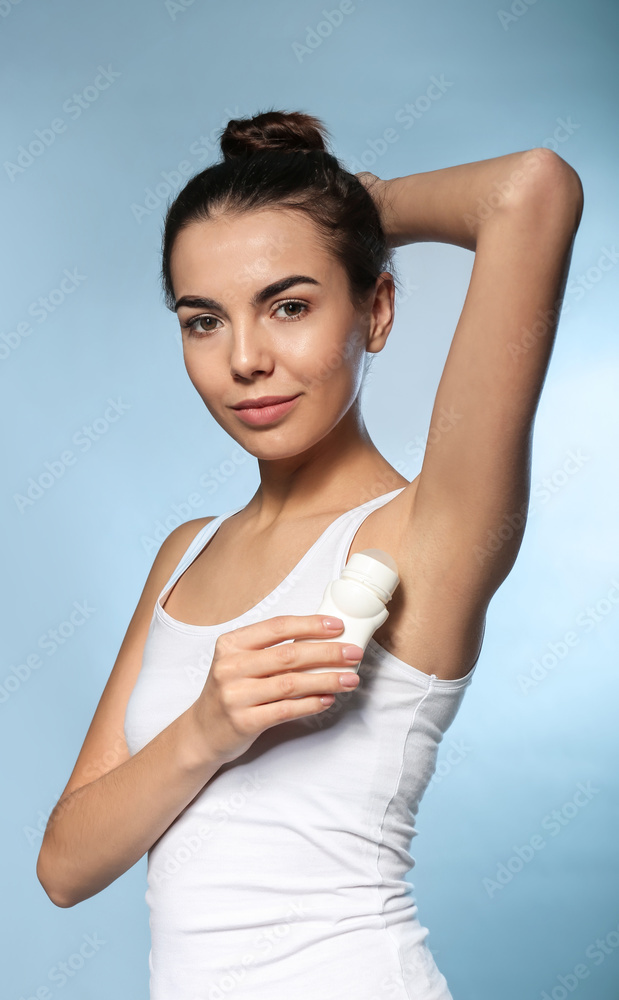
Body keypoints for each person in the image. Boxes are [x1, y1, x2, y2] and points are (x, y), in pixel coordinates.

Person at [36, 109, 584, 998]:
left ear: (376, 309)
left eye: (288, 306)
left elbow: (530, 190)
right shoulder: (186, 553)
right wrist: (208, 730)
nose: (245, 359)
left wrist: (357, 207)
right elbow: (64, 867)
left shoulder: (423, 529)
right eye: (203, 320)